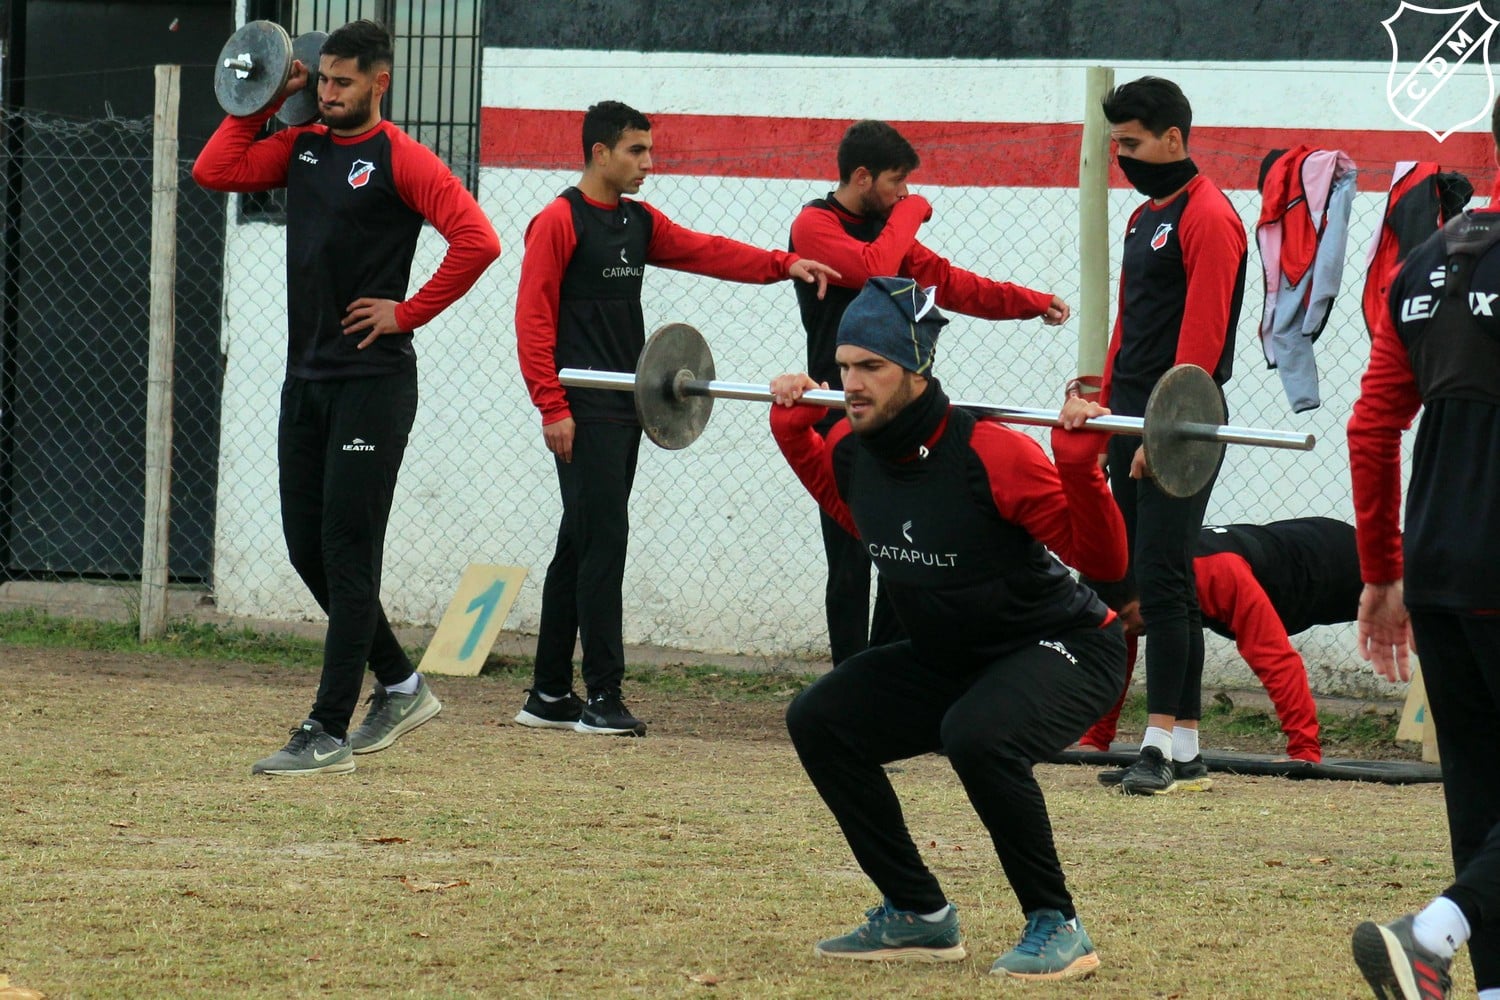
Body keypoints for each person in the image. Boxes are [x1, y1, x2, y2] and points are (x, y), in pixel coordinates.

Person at [769, 276, 1127, 980]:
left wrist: (1081, 468)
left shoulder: (994, 452)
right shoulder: (852, 450)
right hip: (953, 655)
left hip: (1069, 647)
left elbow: (1106, 563)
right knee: (819, 718)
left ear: (917, 368)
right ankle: (917, 913)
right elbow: (861, 523)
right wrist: (793, 433)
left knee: (978, 735)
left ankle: (1058, 925)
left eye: (871, 367)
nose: (852, 384)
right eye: (844, 367)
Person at [193, 20, 500, 775]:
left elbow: (478, 240)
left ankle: (327, 731)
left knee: (346, 550)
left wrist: (408, 312)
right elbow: (214, 169)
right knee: (308, 549)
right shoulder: (302, 147)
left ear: (379, 83)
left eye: (342, 82)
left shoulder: (402, 158)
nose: (328, 93)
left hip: (373, 386)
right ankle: (402, 684)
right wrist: (272, 94)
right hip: (306, 381)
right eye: (322, 79)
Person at [513, 101, 839, 738]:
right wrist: (551, 406)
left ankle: (549, 693)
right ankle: (602, 697)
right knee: (603, 544)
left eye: (649, 151)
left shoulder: (637, 221)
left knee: (580, 542)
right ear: (600, 152)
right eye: (636, 151)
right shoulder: (558, 221)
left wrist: (782, 264)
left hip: (628, 406)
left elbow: (706, 251)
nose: (648, 164)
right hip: (584, 408)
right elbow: (533, 320)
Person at [788, 119, 1071, 667]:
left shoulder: (887, 231)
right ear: (863, 177)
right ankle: (850, 679)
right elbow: (872, 269)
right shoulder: (815, 223)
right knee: (850, 557)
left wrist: (1030, 301)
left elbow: (949, 281)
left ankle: (893, 670)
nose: (904, 194)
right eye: (897, 182)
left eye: (907, 188)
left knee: (905, 554)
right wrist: (912, 211)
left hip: (898, 416)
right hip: (839, 407)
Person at [1345, 100, 1500, 1000]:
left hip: (1439, 564)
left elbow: (1372, 427)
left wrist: (1384, 570)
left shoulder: (1425, 263)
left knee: (1482, 800)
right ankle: (1434, 931)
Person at [1064, 76, 1247, 796]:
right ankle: (1186, 748)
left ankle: (1158, 747)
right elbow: (1129, 325)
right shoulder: (1145, 218)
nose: (1124, 157)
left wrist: (1162, 433)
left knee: (1166, 582)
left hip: (1180, 423)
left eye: (1133, 143)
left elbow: (1201, 339)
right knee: (1152, 580)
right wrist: (1104, 405)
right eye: (1116, 145)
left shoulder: (1211, 216)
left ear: (1173, 139)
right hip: (1130, 420)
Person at [1082, 516, 1360, 765]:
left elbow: (1274, 658)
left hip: (1334, 560)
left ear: (1147, 589)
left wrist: (1304, 751)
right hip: (1285, 552)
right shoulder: (1148, 581)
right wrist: (1095, 739)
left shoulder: (1216, 573)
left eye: (1126, 617)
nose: (1126, 629)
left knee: (1390, 612)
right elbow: (1117, 659)